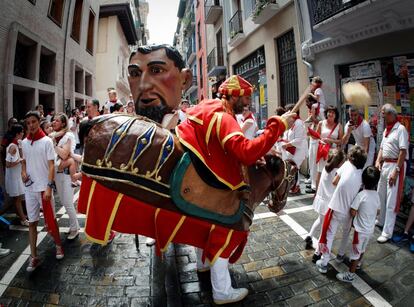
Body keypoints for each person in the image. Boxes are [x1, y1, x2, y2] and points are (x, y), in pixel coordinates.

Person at [176, 74, 294, 304]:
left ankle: (202, 264)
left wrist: (251, 159)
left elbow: (227, 148)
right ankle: (222, 292)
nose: (248, 102)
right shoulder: (225, 118)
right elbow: (246, 151)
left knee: (205, 223)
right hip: (210, 180)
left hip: (202, 172)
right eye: (245, 97)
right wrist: (277, 126)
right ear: (232, 96)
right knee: (227, 228)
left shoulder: (210, 105)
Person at [128, 44, 193, 246]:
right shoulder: (132, 129)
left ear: (185, 79)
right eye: (135, 73)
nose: (144, 85)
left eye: (157, 71)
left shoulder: (197, 124)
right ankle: (155, 230)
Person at [21, 111, 64, 272]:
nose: (31, 125)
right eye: (28, 123)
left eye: (33, 122)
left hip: (43, 189)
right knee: (32, 222)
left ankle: (59, 245)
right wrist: (22, 172)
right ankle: (34, 257)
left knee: (51, 220)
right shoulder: (24, 143)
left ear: (39, 122)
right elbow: (24, 161)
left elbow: (52, 165)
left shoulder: (46, 141)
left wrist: (48, 186)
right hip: (29, 189)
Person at [316, 146, 367, 274]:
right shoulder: (361, 173)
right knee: (345, 233)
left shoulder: (346, 166)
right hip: (350, 210)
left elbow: (334, 181)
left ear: (351, 157)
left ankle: (324, 261)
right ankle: (340, 254)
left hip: (337, 206)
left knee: (330, 234)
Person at [336, 166, 381, 282]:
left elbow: (352, 211)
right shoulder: (376, 195)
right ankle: (359, 263)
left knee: (355, 252)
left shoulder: (361, 195)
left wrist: (356, 212)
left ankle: (350, 274)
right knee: (362, 249)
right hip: (370, 230)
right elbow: (378, 211)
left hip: (360, 231)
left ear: (363, 180)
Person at [375, 104, 408, 243]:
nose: (382, 116)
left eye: (384, 114)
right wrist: (377, 160)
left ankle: (387, 232)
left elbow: (403, 151)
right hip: (385, 164)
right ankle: (381, 221)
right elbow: (382, 147)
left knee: (391, 200)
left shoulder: (401, 129)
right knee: (380, 195)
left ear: (391, 114)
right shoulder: (386, 130)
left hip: (395, 165)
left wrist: (397, 170)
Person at [305, 149, 345, 255]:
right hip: (327, 202)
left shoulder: (325, 168)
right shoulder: (336, 172)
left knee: (319, 219)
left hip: (321, 199)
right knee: (324, 228)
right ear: (340, 162)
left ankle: (309, 235)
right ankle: (318, 251)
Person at [51, 113, 80, 240]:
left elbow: (64, 154)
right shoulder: (52, 135)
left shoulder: (68, 135)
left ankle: (75, 228)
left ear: (63, 123)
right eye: (53, 120)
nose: (53, 122)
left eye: (57, 121)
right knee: (63, 202)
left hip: (66, 173)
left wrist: (54, 145)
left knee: (68, 202)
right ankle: (74, 225)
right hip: (57, 173)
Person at [279, 103, 307, 194]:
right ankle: (293, 186)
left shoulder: (299, 123)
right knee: (291, 168)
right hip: (291, 149)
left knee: (293, 168)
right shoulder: (291, 122)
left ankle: (296, 186)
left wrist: (286, 145)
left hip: (298, 150)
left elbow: (298, 140)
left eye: (288, 111)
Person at [5, 124, 28, 226]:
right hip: (14, 177)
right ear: (18, 133)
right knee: (17, 198)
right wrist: (19, 161)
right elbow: (8, 164)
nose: (23, 133)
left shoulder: (16, 144)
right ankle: (23, 219)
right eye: (22, 132)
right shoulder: (12, 146)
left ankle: (21, 215)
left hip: (16, 175)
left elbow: (22, 155)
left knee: (17, 198)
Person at [315, 105, 343, 189]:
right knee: (320, 171)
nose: (330, 114)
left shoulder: (339, 126)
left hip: (333, 153)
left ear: (336, 115)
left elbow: (341, 141)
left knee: (331, 172)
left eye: (333, 112)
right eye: (329, 112)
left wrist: (331, 141)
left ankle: (329, 191)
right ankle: (317, 192)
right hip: (322, 151)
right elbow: (316, 136)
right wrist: (322, 141)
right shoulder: (321, 123)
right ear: (326, 113)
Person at [305, 98, 320, 193]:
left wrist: (312, 116)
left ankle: (314, 185)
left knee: (315, 163)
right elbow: (306, 128)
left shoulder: (319, 116)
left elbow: (317, 123)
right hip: (312, 142)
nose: (310, 111)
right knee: (311, 162)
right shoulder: (311, 118)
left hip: (317, 143)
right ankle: (312, 180)